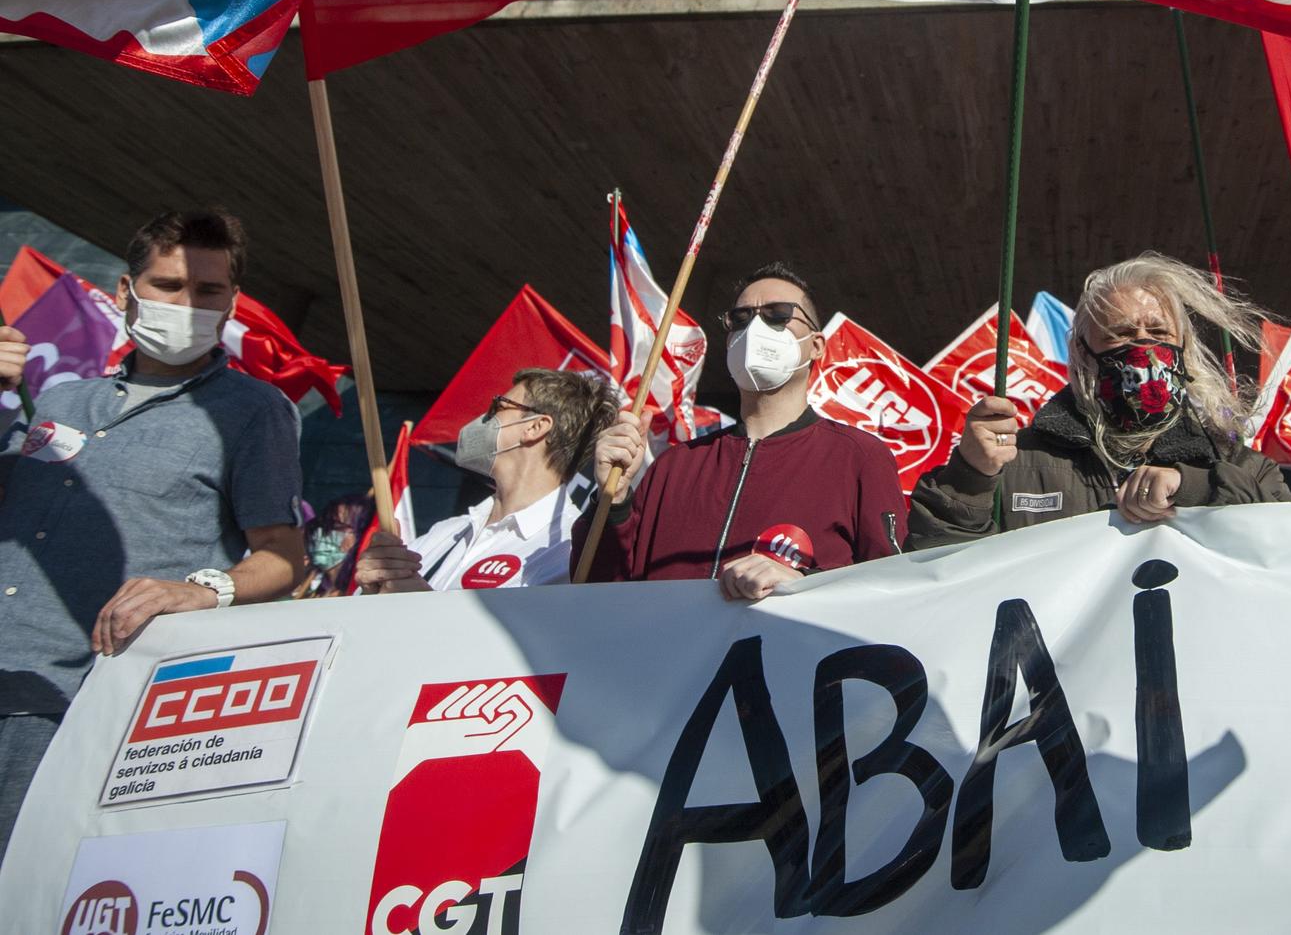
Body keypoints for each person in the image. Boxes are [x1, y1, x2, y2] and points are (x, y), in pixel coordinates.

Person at [0, 210, 305, 859]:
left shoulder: (253, 413)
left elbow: (284, 554)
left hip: (69, 708)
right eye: (168, 284)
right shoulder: (59, 401)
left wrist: (203, 589)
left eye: (208, 291)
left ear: (232, 304)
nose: (187, 303)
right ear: (124, 292)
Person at [908, 253, 1291, 547]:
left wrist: (1196, 487)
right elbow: (937, 567)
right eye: (1120, 334)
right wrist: (969, 476)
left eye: (1158, 331)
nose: (1144, 345)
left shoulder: (1232, 460)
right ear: (1081, 352)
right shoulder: (1016, 461)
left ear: (1184, 348)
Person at [577, 262, 905, 599]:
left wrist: (802, 582)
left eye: (778, 314)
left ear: (817, 345)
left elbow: (890, 591)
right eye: (741, 319)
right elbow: (600, 594)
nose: (756, 328)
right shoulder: (674, 466)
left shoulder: (858, 457)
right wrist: (613, 501)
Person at [355, 369, 617, 592]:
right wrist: (372, 586)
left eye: (498, 407)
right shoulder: (447, 532)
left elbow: (523, 646)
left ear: (535, 428)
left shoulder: (569, 551)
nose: (484, 417)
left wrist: (421, 603)